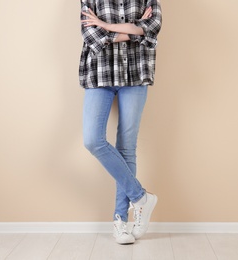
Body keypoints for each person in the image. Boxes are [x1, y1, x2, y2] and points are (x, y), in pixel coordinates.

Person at [79, 0, 162, 244]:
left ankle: (120, 222)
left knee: (127, 147)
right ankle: (141, 198)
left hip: (136, 73)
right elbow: (91, 35)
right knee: (92, 140)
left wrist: (105, 25)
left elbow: (153, 27)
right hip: (100, 73)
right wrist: (134, 30)